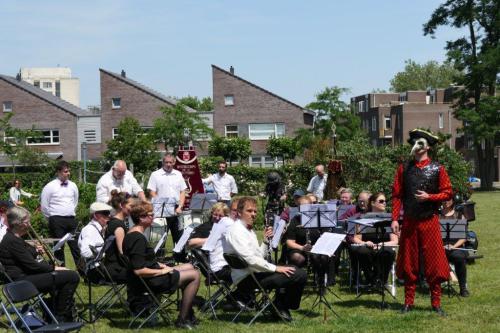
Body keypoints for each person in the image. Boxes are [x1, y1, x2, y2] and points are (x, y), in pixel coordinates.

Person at [391, 129, 452, 316]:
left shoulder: (438, 168)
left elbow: (448, 192)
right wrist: (395, 218)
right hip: (410, 221)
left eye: (420, 143)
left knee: (434, 262)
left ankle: (436, 303)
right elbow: (397, 195)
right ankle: (408, 302)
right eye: (414, 143)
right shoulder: (404, 168)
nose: (416, 147)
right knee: (409, 262)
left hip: (430, 220)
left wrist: (430, 197)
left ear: (427, 147)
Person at [223, 196, 307, 321]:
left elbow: (258, 255)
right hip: (247, 279)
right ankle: (281, 306)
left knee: (294, 269)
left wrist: (266, 241)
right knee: (298, 274)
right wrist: (276, 268)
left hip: (254, 273)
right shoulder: (236, 231)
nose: (253, 214)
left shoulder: (247, 230)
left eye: (255, 211)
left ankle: (280, 304)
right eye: (249, 211)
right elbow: (251, 260)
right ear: (239, 212)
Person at [123, 200, 201, 329]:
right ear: (141, 218)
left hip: (148, 276)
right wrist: (161, 271)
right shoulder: (137, 238)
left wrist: (161, 265)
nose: (153, 217)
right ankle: (183, 318)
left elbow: (144, 260)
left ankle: (188, 314)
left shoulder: (133, 233)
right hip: (148, 281)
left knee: (190, 266)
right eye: (150, 214)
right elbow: (139, 270)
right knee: (195, 275)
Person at [0, 206, 79, 321]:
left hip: (26, 276)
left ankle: (53, 310)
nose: (29, 224)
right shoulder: (12, 241)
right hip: (21, 281)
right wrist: (55, 268)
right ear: (19, 223)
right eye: (27, 221)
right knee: (72, 276)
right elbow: (33, 266)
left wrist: (35, 250)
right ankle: (61, 315)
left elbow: (27, 255)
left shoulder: (15, 238)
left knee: (64, 277)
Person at [350, 192, 398, 286]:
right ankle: (370, 278)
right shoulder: (361, 218)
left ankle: (382, 280)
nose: (384, 203)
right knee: (363, 252)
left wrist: (381, 244)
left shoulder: (390, 219)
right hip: (368, 245)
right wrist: (365, 242)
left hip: (384, 246)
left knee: (389, 252)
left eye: (385, 201)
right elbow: (356, 239)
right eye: (381, 201)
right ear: (372, 203)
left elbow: (395, 240)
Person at [40, 160, 80, 266]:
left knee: (76, 247)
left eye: (69, 171)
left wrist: (70, 211)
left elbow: (75, 201)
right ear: (58, 172)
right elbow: (44, 205)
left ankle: (83, 273)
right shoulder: (49, 186)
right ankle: (62, 272)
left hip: (71, 219)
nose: (68, 173)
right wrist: (52, 219)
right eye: (66, 171)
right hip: (56, 220)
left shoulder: (73, 186)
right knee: (58, 248)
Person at [188, 202, 233, 283]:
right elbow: (190, 243)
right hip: (213, 266)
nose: (217, 218)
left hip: (227, 261)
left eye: (221, 216)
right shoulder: (205, 227)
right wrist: (214, 238)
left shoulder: (227, 226)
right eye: (215, 214)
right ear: (211, 213)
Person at [147, 153, 187, 244]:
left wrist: (180, 206)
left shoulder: (178, 174)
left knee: (178, 235)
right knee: (160, 237)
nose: (168, 164)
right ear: (163, 163)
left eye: (170, 162)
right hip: (161, 209)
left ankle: (179, 257)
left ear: (174, 163)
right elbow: (151, 191)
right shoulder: (155, 174)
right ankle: (159, 257)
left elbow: (182, 192)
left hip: (176, 208)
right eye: (166, 162)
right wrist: (159, 203)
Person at [440, 197, 470, 297]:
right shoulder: (437, 215)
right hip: (440, 246)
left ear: (452, 201)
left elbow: (464, 237)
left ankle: (463, 288)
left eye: (448, 199)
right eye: (444, 200)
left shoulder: (460, 215)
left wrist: (453, 246)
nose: (446, 201)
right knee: (433, 256)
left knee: (459, 257)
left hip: (456, 246)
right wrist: (442, 245)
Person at [104, 190, 135, 282]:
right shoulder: (118, 227)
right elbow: (123, 253)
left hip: (112, 267)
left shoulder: (114, 222)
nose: (133, 209)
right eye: (131, 206)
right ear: (121, 205)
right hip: (116, 270)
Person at [78, 202, 113, 283]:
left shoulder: (98, 229)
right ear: (96, 215)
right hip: (95, 271)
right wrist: (103, 254)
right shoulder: (90, 230)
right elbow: (85, 252)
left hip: (100, 268)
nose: (109, 216)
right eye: (105, 213)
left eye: (109, 213)